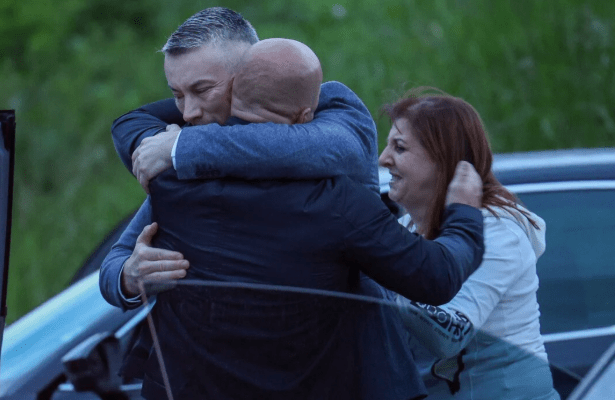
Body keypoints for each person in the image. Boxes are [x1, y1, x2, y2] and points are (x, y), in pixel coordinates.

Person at [100, 8, 484, 400]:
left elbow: (344, 148)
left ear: (246, 74)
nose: (188, 113)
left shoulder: (329, 123)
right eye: (177, 95)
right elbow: (116, 258)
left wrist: (182, 147)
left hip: (343, 370)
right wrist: (129, 277)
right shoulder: (181, 174)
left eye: (202, 90)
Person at [379, 88, 561, 399]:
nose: (383, 159)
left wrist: (381, 274)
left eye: (399, 147)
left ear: (443, 159)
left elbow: (450, 333)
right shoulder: (407, 226)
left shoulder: (498, 230)